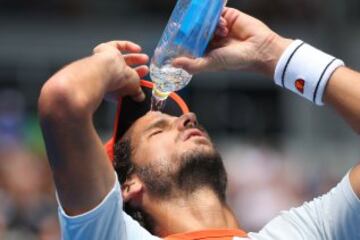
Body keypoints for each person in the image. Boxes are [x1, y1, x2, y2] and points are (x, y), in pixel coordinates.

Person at [38, 7, 360, 240]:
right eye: (159, 128)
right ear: (129, 186)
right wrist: (107, 65)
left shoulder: (300, 233)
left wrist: (273, 54)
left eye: (182, 118)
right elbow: (63, 101)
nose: (189, 118)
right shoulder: (111, 235)